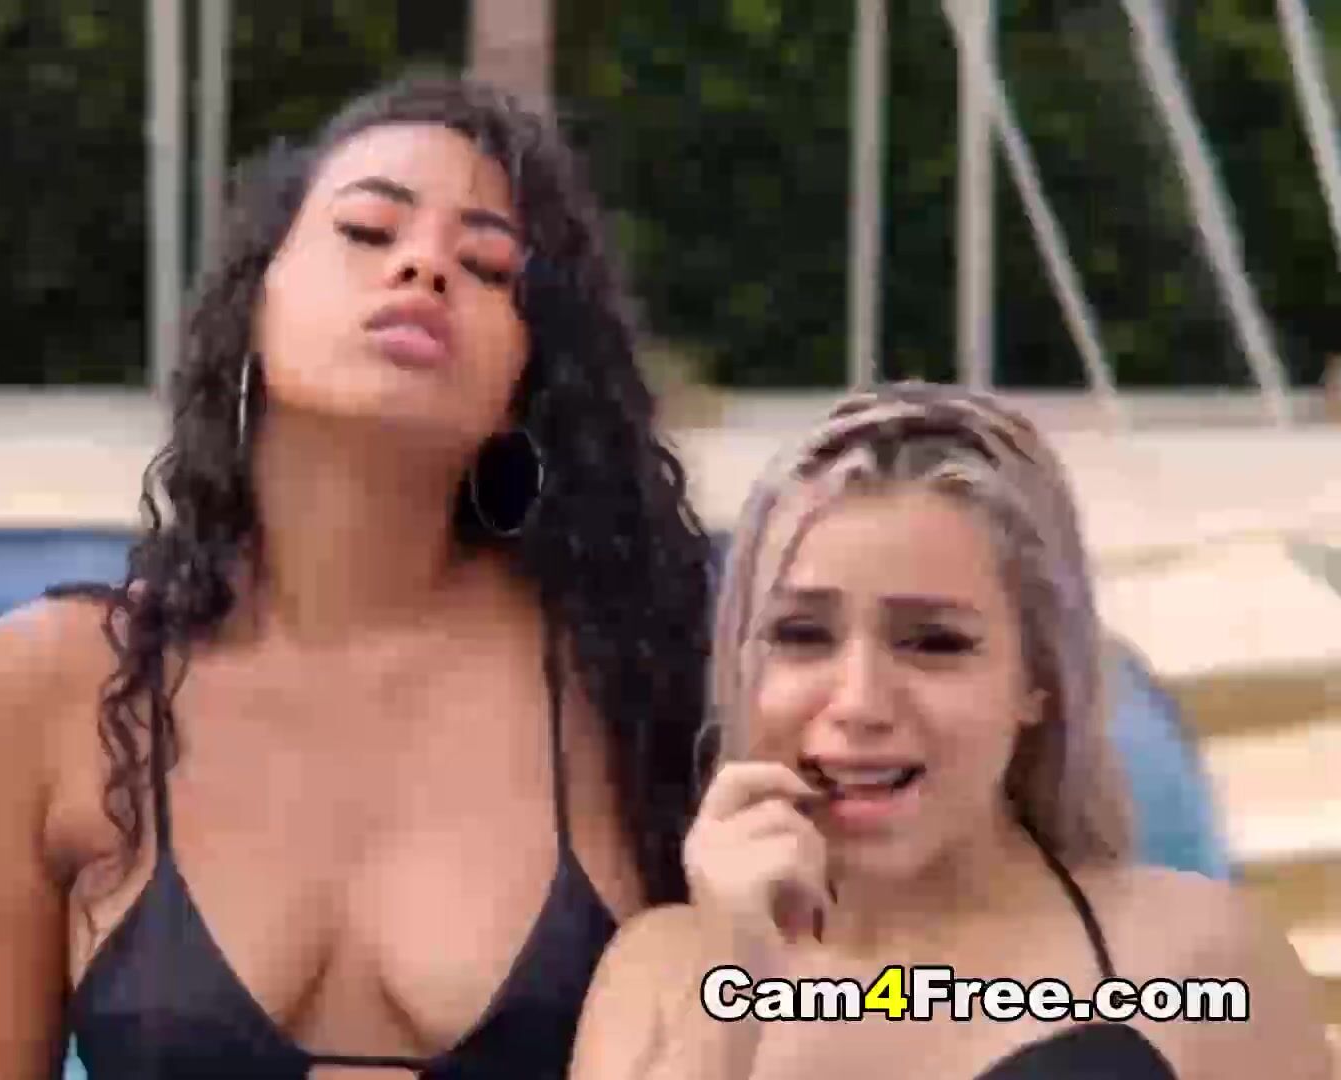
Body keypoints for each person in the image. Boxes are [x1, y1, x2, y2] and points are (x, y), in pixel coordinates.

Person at [0, 76, 717, 1079]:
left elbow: (886, 990)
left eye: (487, 266)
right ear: (254, 302)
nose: (424, 266)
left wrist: (772, 972)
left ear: (526, 380)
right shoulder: (50, 688)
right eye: (368, 231)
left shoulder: (634, 677)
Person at [570, 382, 1330, 1079]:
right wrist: (729, 984)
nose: (859, 702)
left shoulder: (1198, 962)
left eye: (934, 642)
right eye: (802, 635)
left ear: (1037, 680)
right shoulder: (659, 979)